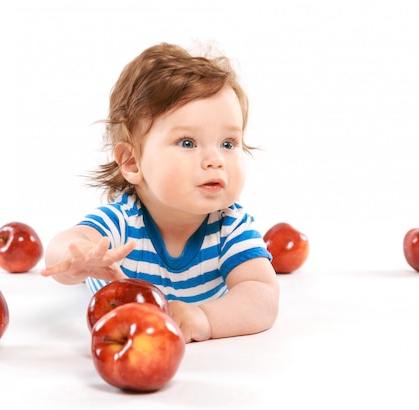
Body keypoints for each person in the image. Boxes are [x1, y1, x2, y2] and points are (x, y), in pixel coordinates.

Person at [41, 42, 279, 343]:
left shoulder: (230, 225)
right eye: (188, 143)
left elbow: (262, 295)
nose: (215, 159)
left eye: (228, 143)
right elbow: (64, 245)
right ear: (132, 162)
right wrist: (80, 260)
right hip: (123, 337)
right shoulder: (125, 220)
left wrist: (205, 318)